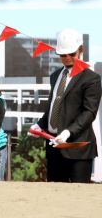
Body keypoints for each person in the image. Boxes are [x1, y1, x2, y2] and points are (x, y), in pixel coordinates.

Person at [31, 28, 102, 183]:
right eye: (63, 55)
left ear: (81, 50)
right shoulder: (55, 76)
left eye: (72, 54)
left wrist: (68, 132)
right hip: (54, 146)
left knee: (78, 197)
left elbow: (89, 112)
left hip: (78, 147)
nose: (68, 58)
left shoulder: (92, 79)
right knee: (55, 195)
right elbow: (53, 106)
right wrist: (41, 125)